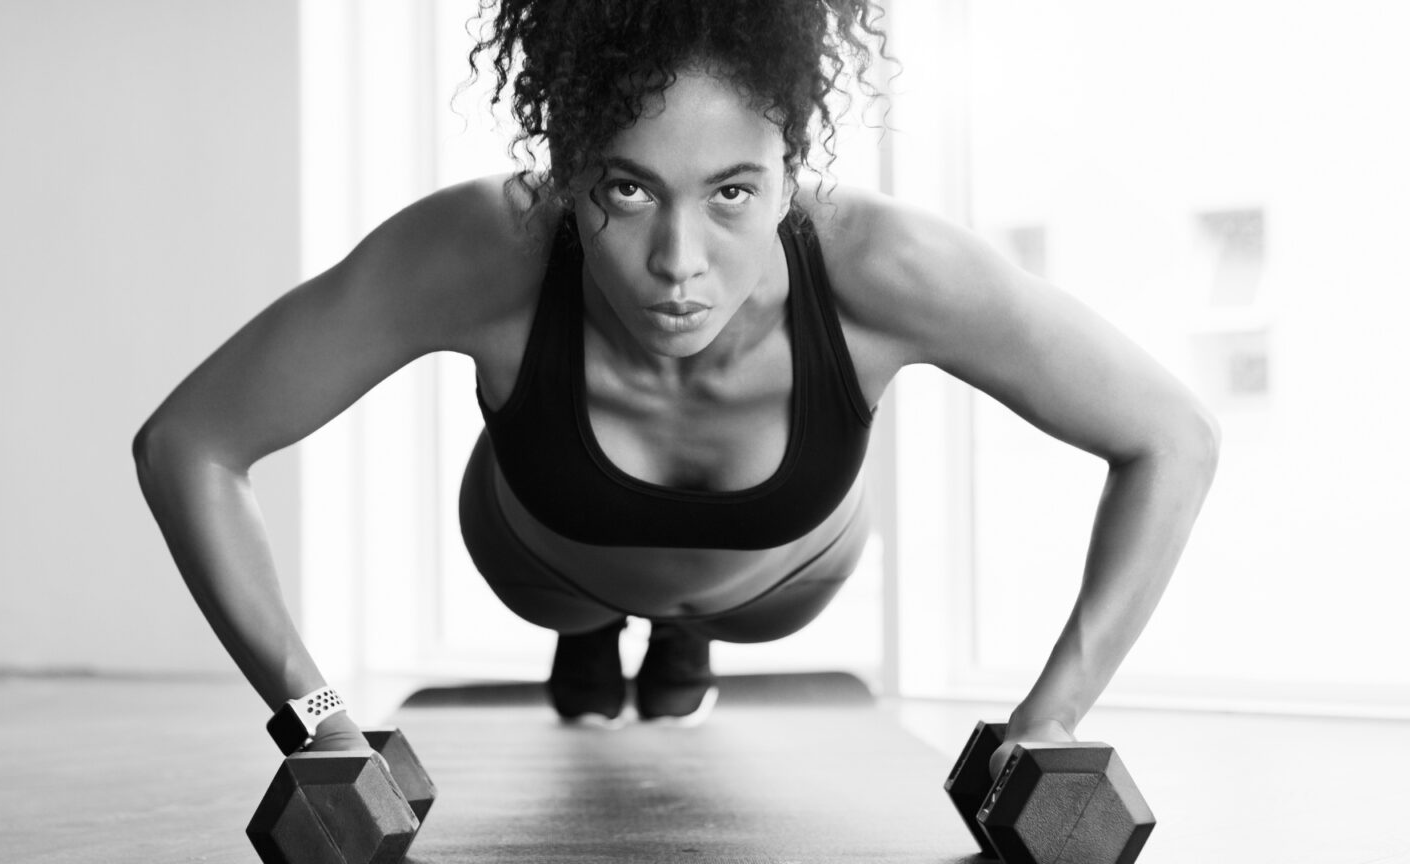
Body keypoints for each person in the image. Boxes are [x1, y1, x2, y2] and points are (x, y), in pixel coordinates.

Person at [133, 0, 1219, 782]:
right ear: (564, 166)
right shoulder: (481, 248)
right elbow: (189, 442)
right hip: (545, 558)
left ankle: (678, 637)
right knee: (574, 605)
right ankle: (599, 626)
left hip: (775, 591)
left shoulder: (890, 267)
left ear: (794, 169)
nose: (679, 261)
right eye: (627, 188)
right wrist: (319, 722)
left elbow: (1170, 436)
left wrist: (1052, 722)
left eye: (734, 192)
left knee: (726, 616)